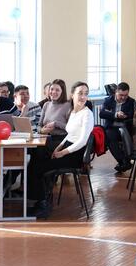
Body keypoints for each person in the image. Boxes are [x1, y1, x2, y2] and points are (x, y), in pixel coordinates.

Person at [28, 82, 93, 219]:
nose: (83, 97)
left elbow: (82, 141)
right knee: (35, 161)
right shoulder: (74, 112)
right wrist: (58, 147)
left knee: (38, 167)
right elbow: (70, 134)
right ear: (72, 95)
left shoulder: (87, 114)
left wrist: (62, 152)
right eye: (80, 93)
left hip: (74, 155)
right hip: (67, 147)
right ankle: (41, 199)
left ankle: (43, 204)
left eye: (86, 94)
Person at [99, 82, 135, 173]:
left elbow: (132, 115)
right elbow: (102, 113)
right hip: (112, 127)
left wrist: (126, 116)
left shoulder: (131, 101)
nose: (123, 97)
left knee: (125, 135)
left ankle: (124, 162)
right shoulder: (108, 100)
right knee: (109, 136)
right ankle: (123, 161)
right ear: (116, 92)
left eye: (125, 95)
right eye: (121, 95)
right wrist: (115, 115)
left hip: (125, 127)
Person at [38, 79, 70, 147]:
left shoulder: (68, 105)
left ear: (62, 92)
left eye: (57, 90)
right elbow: (39, 125)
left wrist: (55, 124)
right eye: (51, 89)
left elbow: (71, 128)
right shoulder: (46, 105)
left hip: (60, 141)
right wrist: (41, 130)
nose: (53, 92)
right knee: (31, 149)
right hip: (45, 138)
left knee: (36, 150)